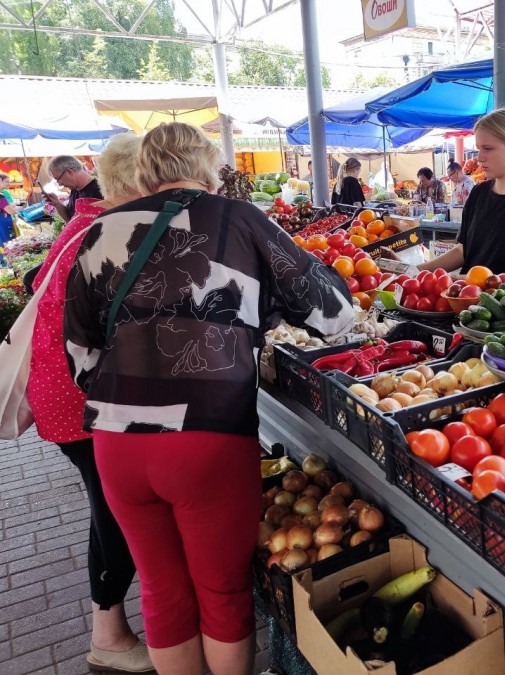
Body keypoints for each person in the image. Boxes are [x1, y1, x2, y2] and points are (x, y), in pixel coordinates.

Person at [64, 122, 355, 675]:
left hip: (116, 444)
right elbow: (334, 313)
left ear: (146, 169)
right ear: (208, 166)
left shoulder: (101, 230)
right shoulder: (238, 218)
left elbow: (80, 353)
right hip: (206, 438)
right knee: (220, 594)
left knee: (162, 592)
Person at [26, 133, 153, 674]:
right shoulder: (110, 232)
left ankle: (113, 626)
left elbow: (38, 281)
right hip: (80, 400)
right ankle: (109, 635)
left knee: (110, 508)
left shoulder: (87, 221)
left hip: (64, 394)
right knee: (115, 514)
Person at [402, 108, 505, 274]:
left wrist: (483, 282)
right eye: (478, 149)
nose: (479, 157)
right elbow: (462, 251)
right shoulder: (478, 193)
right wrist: (412, 272)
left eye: (488, 148)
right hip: (465, 298)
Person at [45, 155, 103, 222]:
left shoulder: (99, 191)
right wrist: (57, 203)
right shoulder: (74, 190)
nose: (59, 184)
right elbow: (70, 219)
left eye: (58, 179)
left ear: (69, 172)